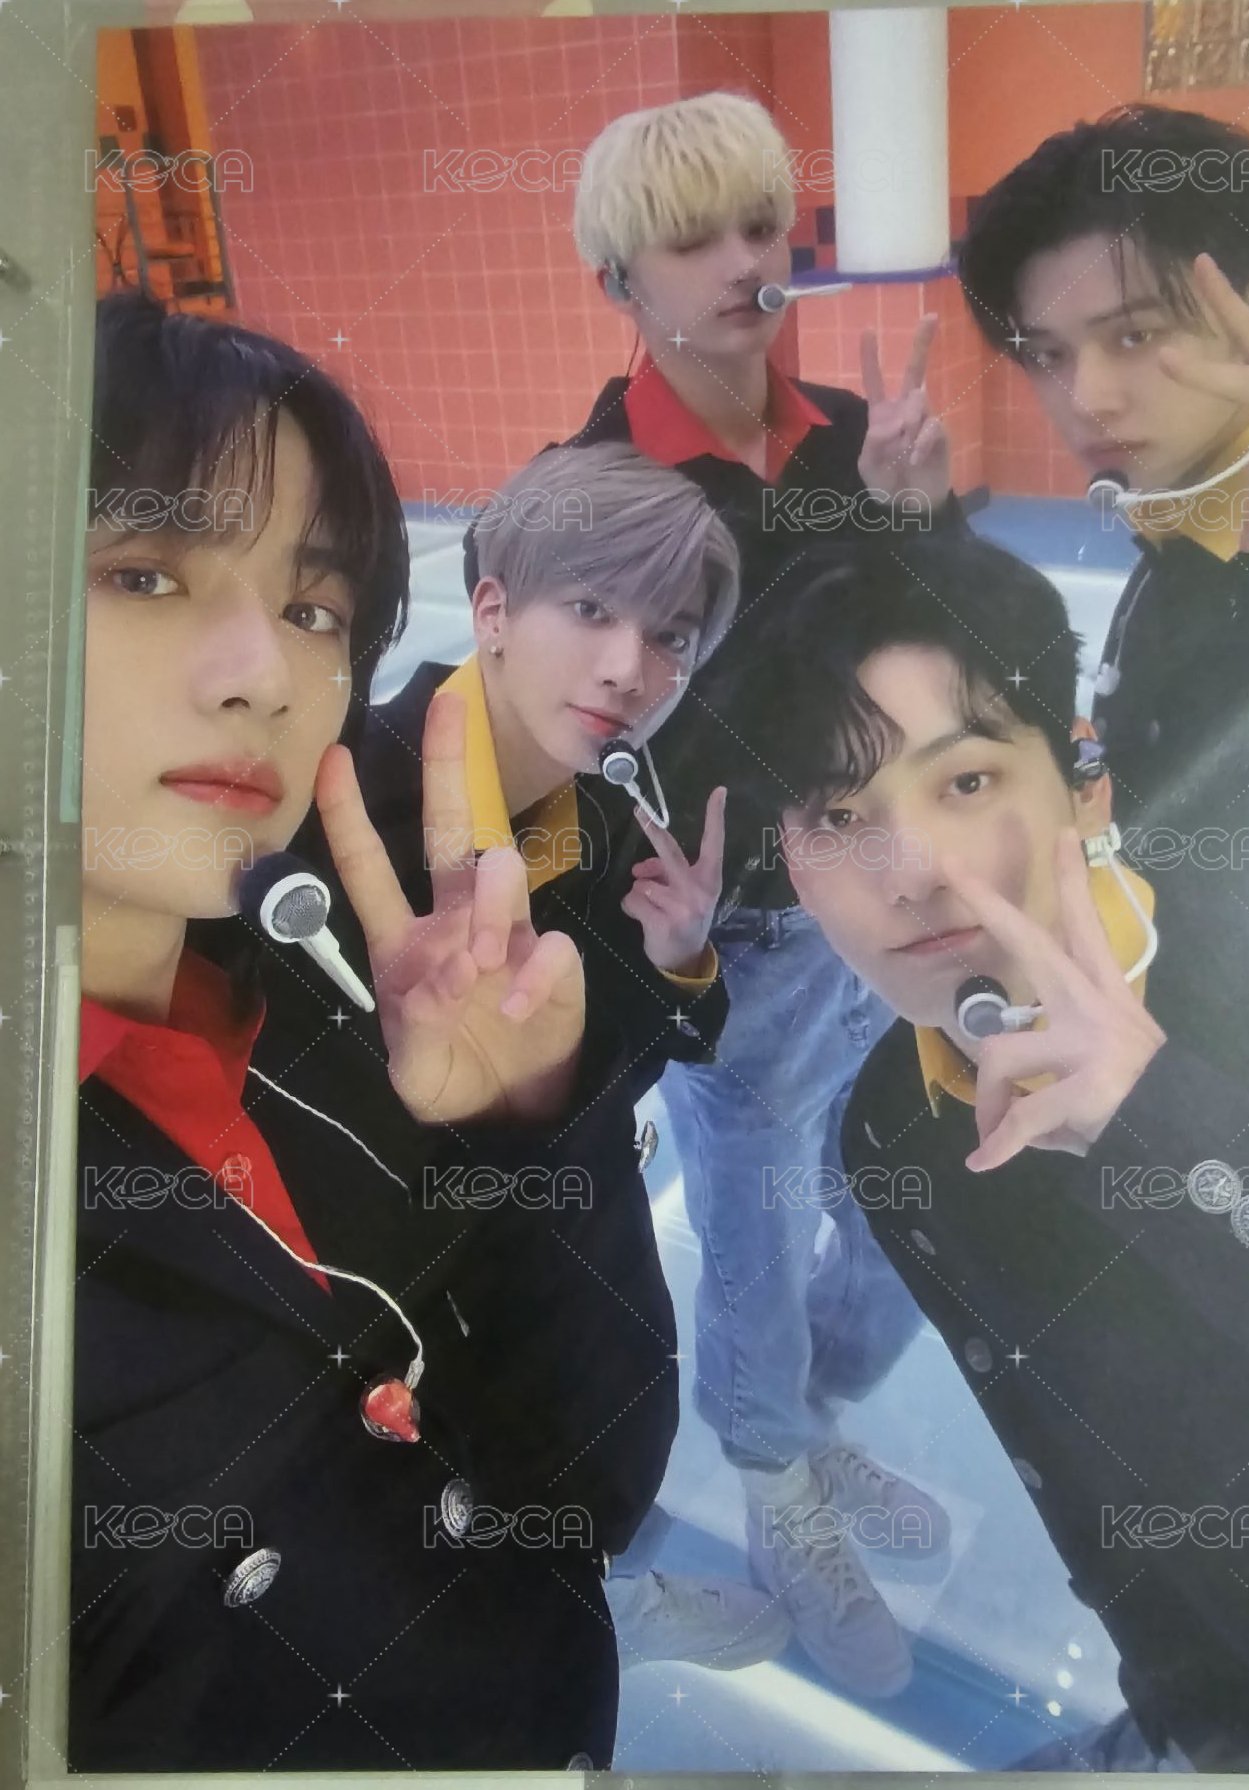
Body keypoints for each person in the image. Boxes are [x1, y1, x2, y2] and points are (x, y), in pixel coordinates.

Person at [73, 293, 681, 1771]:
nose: (263, 673)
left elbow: (590, 1485)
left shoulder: (335, 1003)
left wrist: (533, 1125)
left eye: (313, 609)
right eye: (144, 573)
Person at [461, 89, 951, 1692]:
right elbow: (548, 724)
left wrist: (918, 522)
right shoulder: (590, 492)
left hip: (886, 899)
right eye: (694, 241)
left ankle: (797, 1411)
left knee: (905, 1176)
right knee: (756, 1209)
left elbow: (912, 664)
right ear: (618, 280)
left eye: (762, 226)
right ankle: (772, 1475)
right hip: (732, 934)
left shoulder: (846, 437)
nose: (747, 263)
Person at [732, 531, 1249, 1773]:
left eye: (963, 782)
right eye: (838, 814)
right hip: (1204, 1701)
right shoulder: (890, 1125)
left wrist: (1160, 1119)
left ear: (1083, 781)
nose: (912, 872)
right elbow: (1066, 1465)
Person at [353, 439, 799, 1669]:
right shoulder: (360, 816)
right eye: (592, 608)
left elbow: (622, 1061)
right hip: (442, 1325)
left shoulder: (600, 806)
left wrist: (681, 959)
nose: (629, 668)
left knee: (589, 1477)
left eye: (669, 634)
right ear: (492, 609)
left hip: (584, 1269)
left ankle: (602, 1589)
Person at [957, 103, 1249, 1136]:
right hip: (1198, 1093)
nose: (1087, 397)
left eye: (1134, 335)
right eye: (1046, 354)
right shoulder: (1184, 541)